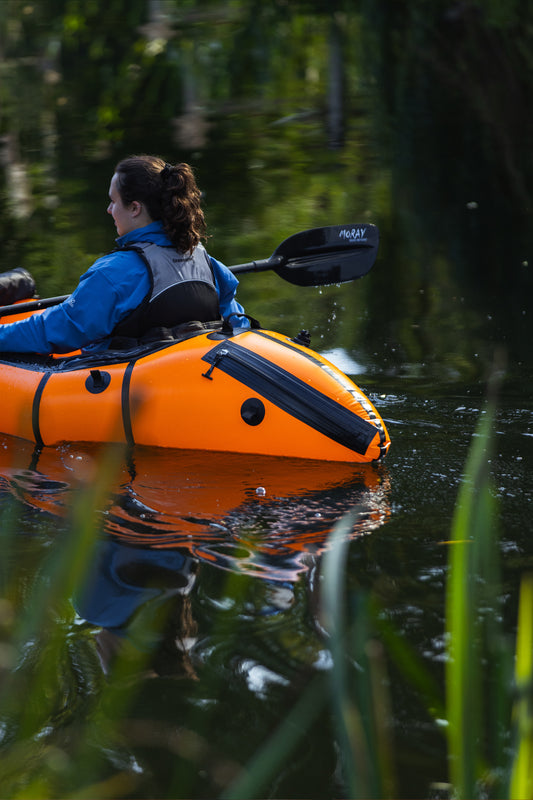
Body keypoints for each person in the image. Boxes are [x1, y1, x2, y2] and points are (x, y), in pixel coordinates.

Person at [0, 155, 247, 354]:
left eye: (113, 201)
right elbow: (238, 324)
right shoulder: (205, 260)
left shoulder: (114, 273)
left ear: (135, 208)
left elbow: (54, 330)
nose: (109, 210)